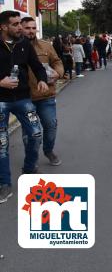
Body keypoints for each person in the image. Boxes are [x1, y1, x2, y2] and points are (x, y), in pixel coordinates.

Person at [0, 11, 49, 203]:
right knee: (1, 144)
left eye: (21, 23)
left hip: (22, 98)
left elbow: (36, 66)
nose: (20, 27)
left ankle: (29, 168)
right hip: (1, 100)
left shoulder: (24, 44)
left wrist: (42, 80)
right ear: (3, 27)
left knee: (36, 134)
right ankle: (4, 184)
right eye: (15, 24)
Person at [21, 17, 64, 167]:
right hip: (25, 98)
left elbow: (57, 62)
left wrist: (58, 73)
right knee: (30, 132)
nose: (31, 31)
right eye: (27, 28)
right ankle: (31, 160)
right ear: (21, 28)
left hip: (46, 96)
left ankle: (48, 150)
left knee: (51, 125)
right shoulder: (14, 48)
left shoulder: (46, 46)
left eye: (33, 28)